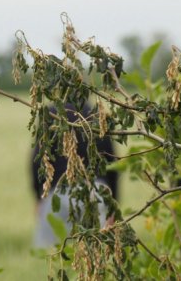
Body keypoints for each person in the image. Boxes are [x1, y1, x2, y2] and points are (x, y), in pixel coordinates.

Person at [31, 103, 118, 247]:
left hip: (58, 193)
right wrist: (113, 204)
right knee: (98, 252)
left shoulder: (51, 113)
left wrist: (38, 197)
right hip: (97, 193)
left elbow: (37, 160)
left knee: (50, 253)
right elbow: (112, 164)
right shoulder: (98, 115)